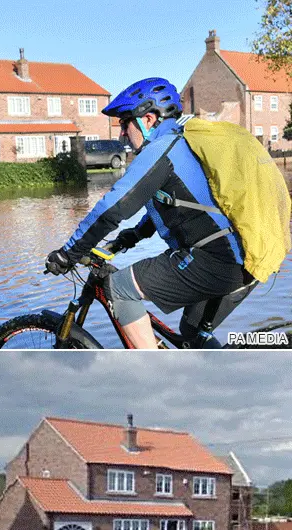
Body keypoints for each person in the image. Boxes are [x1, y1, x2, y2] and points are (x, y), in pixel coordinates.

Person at [45, 77, 257, 349]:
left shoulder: (159, 150)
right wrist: (129, 237)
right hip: (236, 259)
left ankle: (154, 376)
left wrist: (69, 253)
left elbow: (113, 208)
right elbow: (175, 205)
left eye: (124, 123)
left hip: (213, 260)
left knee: (118, 288)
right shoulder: (177, 144)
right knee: (191, 335)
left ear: (147, 119)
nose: (121, 133)